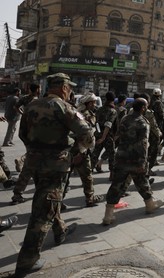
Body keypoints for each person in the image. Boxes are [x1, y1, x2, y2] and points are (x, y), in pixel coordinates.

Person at [15, 73, 95, 277]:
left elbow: (23, 134)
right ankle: (27, 260)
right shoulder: (64, 107)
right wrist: (77, 150)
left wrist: (36, 150)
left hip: (35, 163)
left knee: (47, 199)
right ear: (63, 88)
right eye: (69, 87)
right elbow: (87, 136)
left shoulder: (32, 105)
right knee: (43, 211)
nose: (70, 91)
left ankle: (60, 231)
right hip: (56, 164)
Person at [102, 98, 163, 225]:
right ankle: (150, 205)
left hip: (121, 157)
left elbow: (118, 136)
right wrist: (143, 162)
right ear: (142, 108)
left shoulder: (125, 119)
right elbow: (143, 143)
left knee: (116, 185)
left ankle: (108, 215)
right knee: (142, 182)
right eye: (146, 106)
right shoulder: (143, 122)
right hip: (136, 159)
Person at [73, 93, 104, 207]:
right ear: (89, 103)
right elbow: (86, 133)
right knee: (87, 176)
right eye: (94, 102)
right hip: (81, 149)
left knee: (65, 178)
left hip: (73, 149)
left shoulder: (77, 112)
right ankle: (90, 198)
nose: (95, 104)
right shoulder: (85, 115)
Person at [91, 92, 118, 179]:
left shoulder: (99, 109)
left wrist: (99, 135)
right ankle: (112, 174)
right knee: (111, 155)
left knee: (95, 154)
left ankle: (88, 174)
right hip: (107, 136)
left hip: (98, 134)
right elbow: (108, 124)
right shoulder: (112, 111)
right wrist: (103, 137)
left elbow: (95, 122)